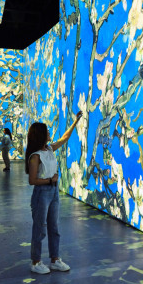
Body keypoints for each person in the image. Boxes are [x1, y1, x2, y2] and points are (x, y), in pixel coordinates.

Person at [25, 111, 82, 274]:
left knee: (54, 227)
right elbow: (32, 180)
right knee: (40, 228)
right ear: (41, 135)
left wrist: (75, 122)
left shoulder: (49, 149)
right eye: (47, 131)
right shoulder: (35, 157)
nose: (49, 133)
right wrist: (50, 180)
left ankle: (55, 260)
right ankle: (36, 262)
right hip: (42, 193)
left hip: (53, 192)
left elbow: (64, 138)